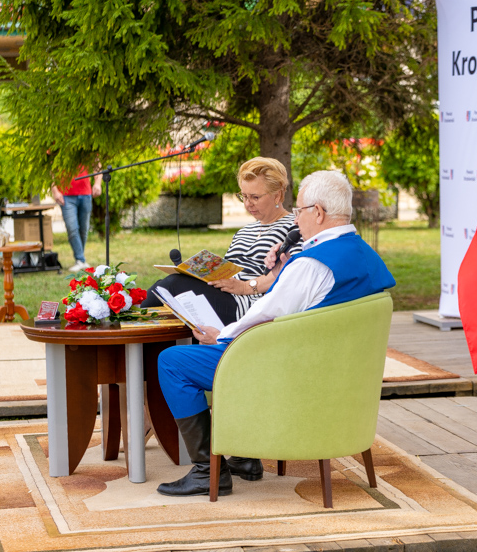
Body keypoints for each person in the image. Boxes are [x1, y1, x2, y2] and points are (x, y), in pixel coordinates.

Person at [154, 170, 396, 497]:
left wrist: (220, 336)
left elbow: (265, 313)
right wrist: (282, 273)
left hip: (290, 373)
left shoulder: (310, 265)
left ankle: (206, 470)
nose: (297, 219)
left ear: (319, 212)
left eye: (300, 211)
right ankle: (243, 456)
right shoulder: (365, 253)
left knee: (173, 361)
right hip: (341, 376)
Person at [141, 157, 299, 325]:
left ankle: (129, 320)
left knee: (173, 285)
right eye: (243, 196)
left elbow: (294, 273)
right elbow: (229, 269)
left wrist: (245, 286)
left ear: (278, 195)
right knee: (164, 287)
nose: (248, 204)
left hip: (247, 305)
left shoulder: (295, 227)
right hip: (223, 294)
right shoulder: (244, 231)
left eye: (255, 197)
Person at [51, 169, 103, 272]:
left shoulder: (87, 152)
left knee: (83, 230)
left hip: (86, 193)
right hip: (65, 194)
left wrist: (98, 183)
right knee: (72, 228)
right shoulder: (54, 151)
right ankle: (80, 260)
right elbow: (50, 170)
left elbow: (97, 165)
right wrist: (55, 191)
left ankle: (80, 260)